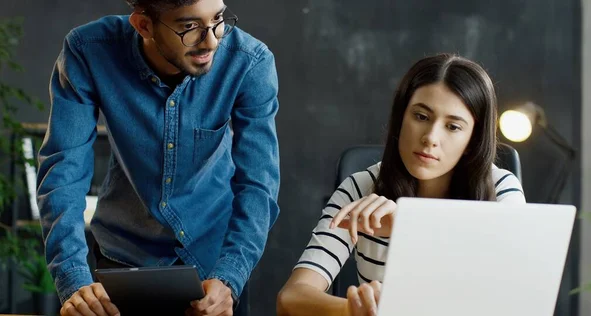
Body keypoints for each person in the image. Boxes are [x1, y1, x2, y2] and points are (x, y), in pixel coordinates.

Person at [36, 0, 280, 315]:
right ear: (144, 26)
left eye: (218, 19)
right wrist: (73, 279)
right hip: (123, 258)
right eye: (189, 27)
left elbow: (258, 183)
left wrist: (231, 274)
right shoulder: (88, 50)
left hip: (215, 264)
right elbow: (62, 173)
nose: (211, 41)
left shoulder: (249, 61)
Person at [276, 53, 525, 316]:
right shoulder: (361, 189)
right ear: (400, 118)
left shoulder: (500, 189)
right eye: (420, 116)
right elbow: (290, 299)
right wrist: (356, 309)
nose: (430, 137)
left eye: (452, 127)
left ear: (472, 141)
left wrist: (409, 226)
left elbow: (515, 296)